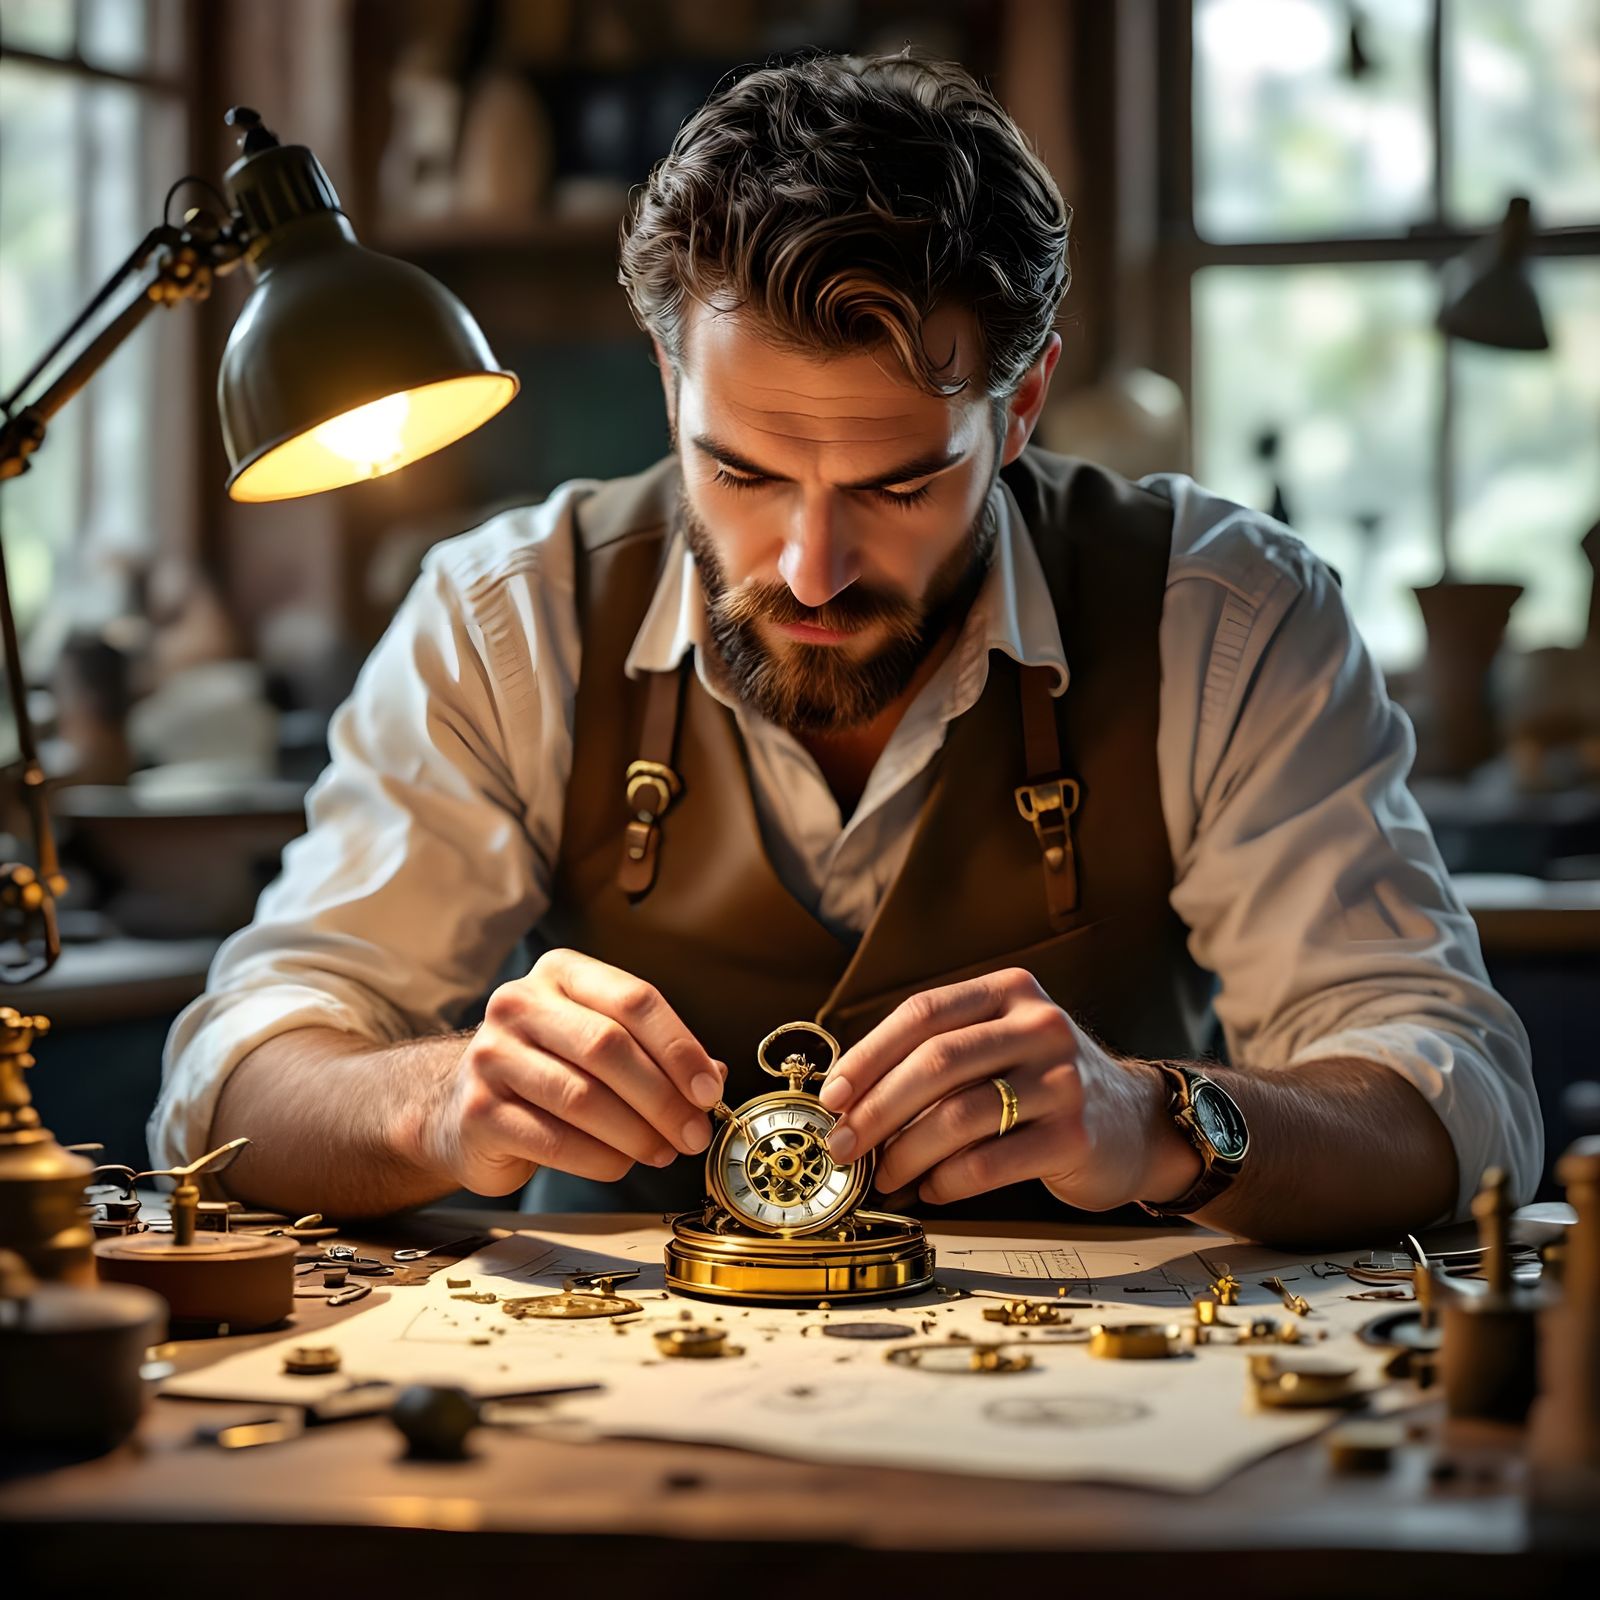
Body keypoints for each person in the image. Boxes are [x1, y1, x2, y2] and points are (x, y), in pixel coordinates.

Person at [152, 53, 1539, 1247]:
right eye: (743, 473)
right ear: (669, 382)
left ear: (1022, 406)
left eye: (898, 485)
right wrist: (439, 1102)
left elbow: (1458, 1106)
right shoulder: (507, 616)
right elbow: (229, 1092)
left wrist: (1161, 1118)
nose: (812, 569)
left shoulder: (1219, 614)